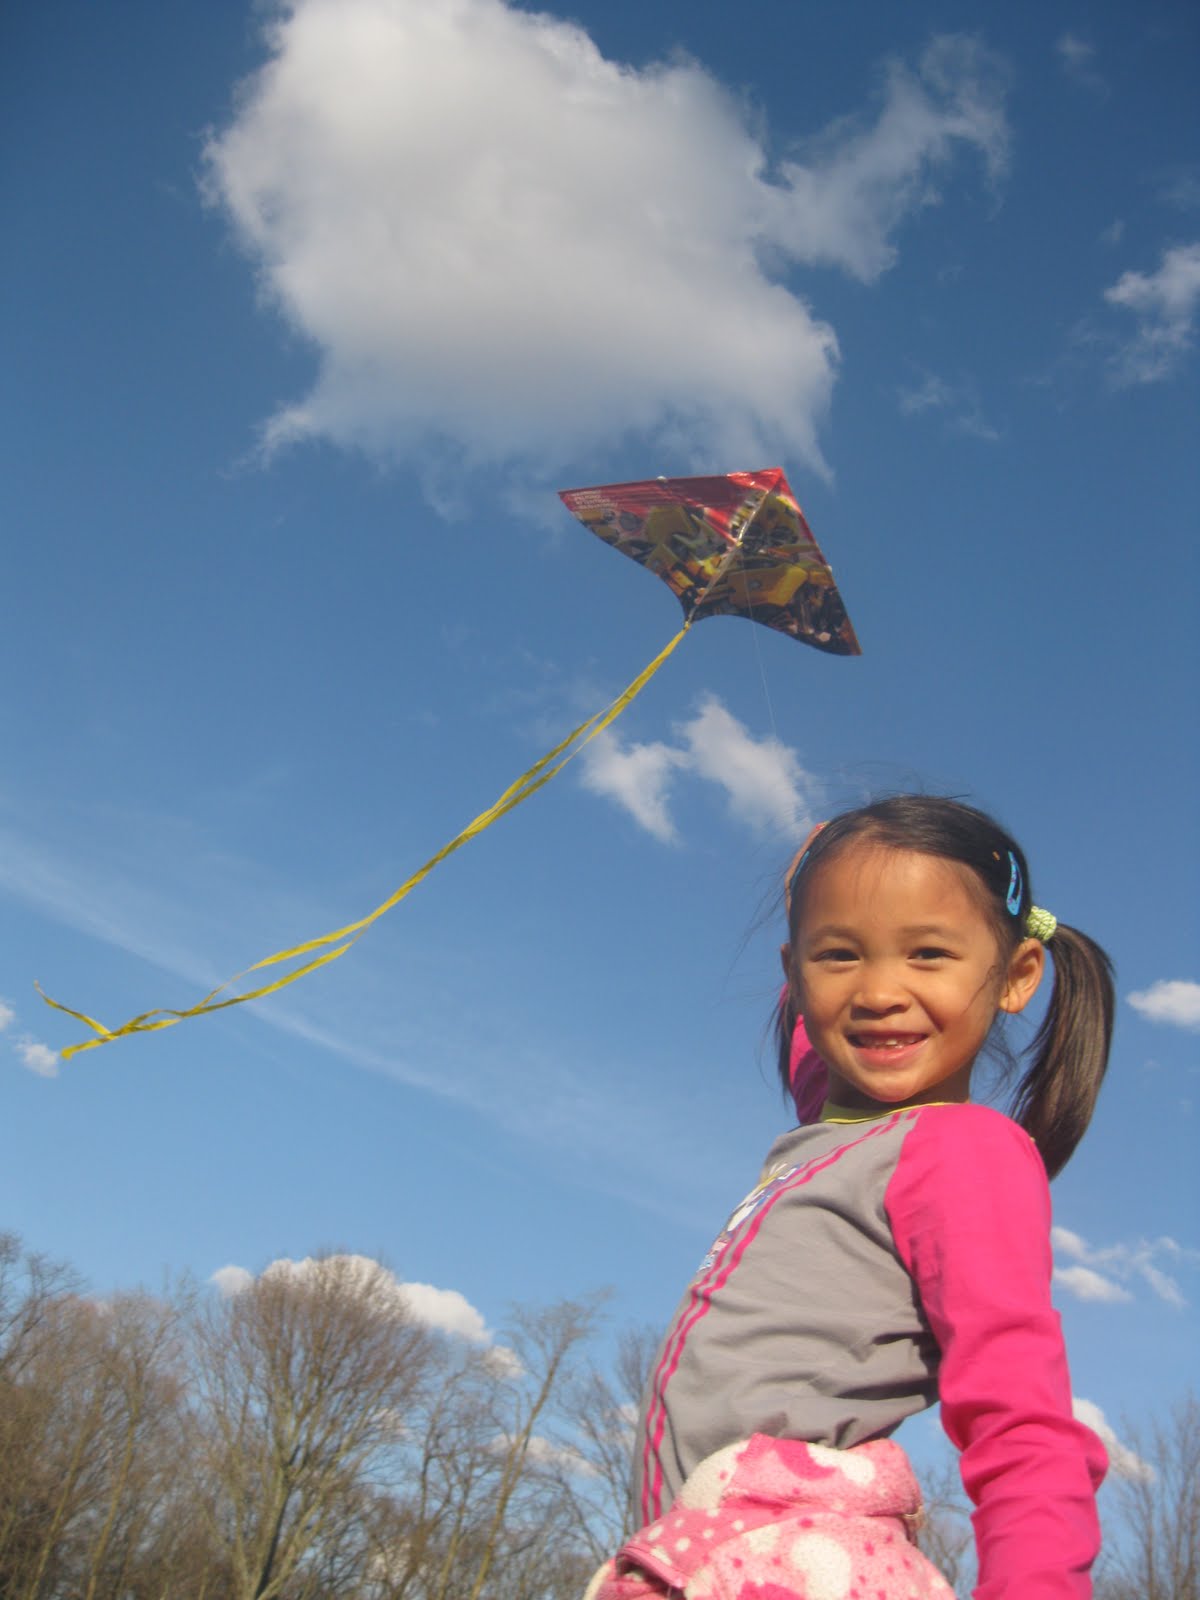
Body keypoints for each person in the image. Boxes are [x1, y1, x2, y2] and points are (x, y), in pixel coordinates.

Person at [586, 796, 1114, 1600]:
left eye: (928, 953)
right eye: (840, 955)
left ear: (1015, 977)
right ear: (795, 973)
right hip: (700, 1551)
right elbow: (816, 1046)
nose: (878, 992)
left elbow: (1023, 1424)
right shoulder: (843, 1134)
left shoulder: (960, 1153)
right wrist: (812, 878)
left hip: (789, 1559)